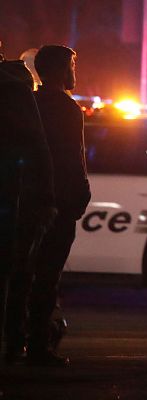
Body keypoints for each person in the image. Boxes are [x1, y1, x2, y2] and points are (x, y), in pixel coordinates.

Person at [5, 45, 90, 367]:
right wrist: (79, 196)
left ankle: (15, 341)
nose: (74, 73)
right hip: (58, 204)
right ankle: (39, 345)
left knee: (21, 275)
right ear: (57, 70)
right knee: (47, 278)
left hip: (27, 202)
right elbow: (72, 160)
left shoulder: (29, 105)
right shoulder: (67, 110)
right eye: (71, 65)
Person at [0, 55, 55, 366]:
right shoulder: (16, 88)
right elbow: (37, 144)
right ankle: (13, 343)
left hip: (10, 197)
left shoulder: (15, 89)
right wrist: (46, 196)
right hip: (10, 196)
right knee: (12, 275)